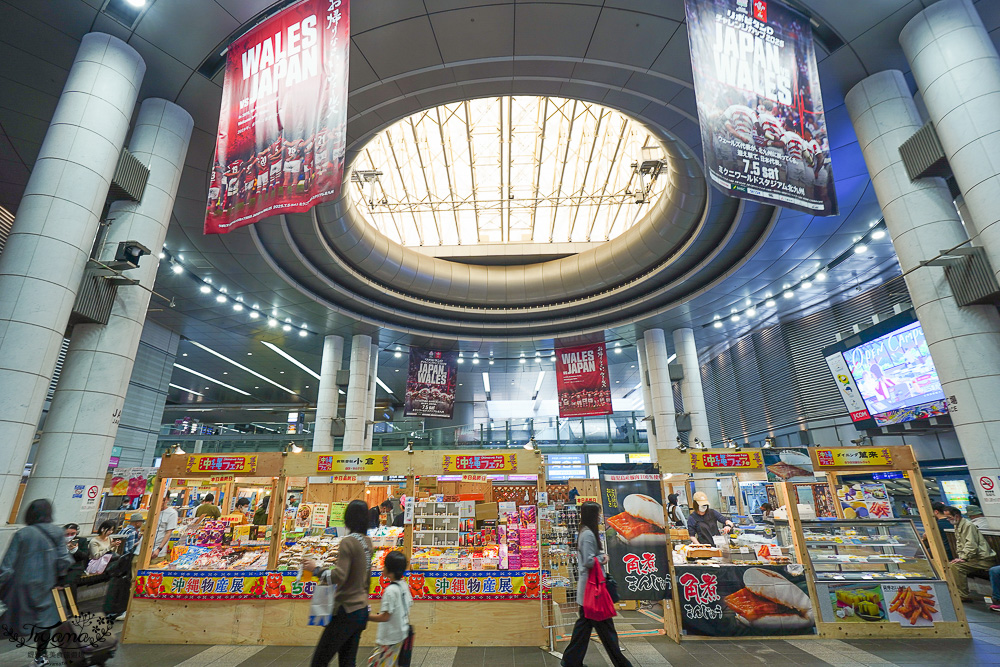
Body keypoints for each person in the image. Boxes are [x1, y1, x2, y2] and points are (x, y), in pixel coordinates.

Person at [0, 499, 73, 667]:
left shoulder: (23, 534)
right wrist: (60, 579)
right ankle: (41, 656)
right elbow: (65, 560)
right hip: (47, 585)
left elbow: (7, 566)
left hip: (22, 587)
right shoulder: (57, 532)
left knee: (12, 618)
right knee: (44, 622)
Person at [561, 501, 633, 667]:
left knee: (584, 629)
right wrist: (602, 558)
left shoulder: (586, 532)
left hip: (590, 591)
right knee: (606, 632)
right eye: (598, 513)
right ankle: (622, 664)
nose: (600, 516)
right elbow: (587, 560)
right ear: (593, 515)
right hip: (593, 591)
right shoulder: (587, 534)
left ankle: (571, 661)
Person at [304, 500, 373, 667]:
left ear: (348, 518)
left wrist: (316, 569)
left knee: (320, 660)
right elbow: (367, 578)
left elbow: (340, 575)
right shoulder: (367, 542)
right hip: (361, 609)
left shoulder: (348, 542)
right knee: (348, 661)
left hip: (346, 610)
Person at [366, 550, 413, 667]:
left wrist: (366, 616)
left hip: (389, 638)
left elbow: (385, 616)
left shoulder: (390, 591)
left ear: (390, 570)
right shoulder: (403, 585)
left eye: (385, 565)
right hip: (401, 634)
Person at [944, 505, 997, 601]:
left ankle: (962, 595)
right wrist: (961, 557)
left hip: (983, 559)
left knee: (956, 567)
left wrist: (963, 558)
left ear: (956, 515)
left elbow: (971, 545)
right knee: (953, 564)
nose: (948, 520)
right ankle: (958, 592)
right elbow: (960, 544)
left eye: (949, 517)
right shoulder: (958, 525)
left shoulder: (968, 525)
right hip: (974, 558)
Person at [63, 523, 90, 597]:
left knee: (70, 581)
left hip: (75, 567)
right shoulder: (59, 541)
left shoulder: (81, 541)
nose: (69, 536)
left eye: (72, 533)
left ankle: (71, 605)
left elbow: (84, 556)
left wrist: (75, 550)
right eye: (67, 534)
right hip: (62, 567)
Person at [151, 493, 179, 563]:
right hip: (141, 550)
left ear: (167, 500)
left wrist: (159, 549)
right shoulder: (151, 511)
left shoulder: (172, 513)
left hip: (157, 552)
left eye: (163, 500)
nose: (160, 502)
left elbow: (168, 533)